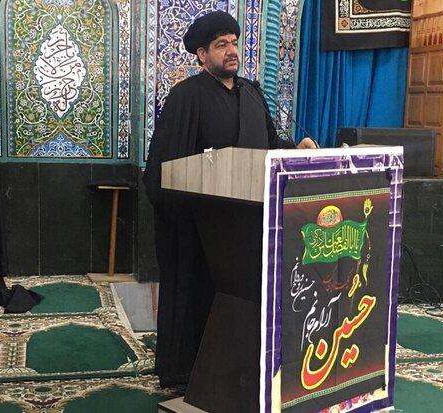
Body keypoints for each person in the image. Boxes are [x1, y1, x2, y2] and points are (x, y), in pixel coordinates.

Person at [143, 10, 317, 388]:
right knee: (199, 298)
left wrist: (295, 148)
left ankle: (243, 371)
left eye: (234, 42)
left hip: (250, 223)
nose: (231, 51)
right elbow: (163, 166)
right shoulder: (186, 96)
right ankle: (189, 373)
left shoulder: (252, 93)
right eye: (221, 44)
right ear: (202, 54)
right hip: (201, 228)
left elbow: (267, 145)